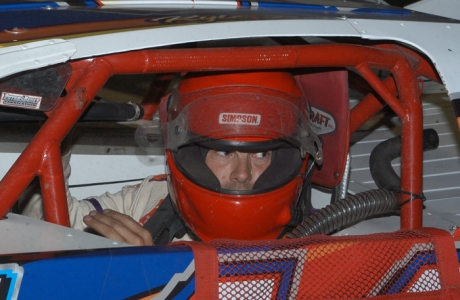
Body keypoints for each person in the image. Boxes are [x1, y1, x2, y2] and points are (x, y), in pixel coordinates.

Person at [23, 71, 323, 245]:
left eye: (261, 154)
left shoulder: (310, 246)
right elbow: (53, 226)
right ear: (191, 154)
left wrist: (148, 277)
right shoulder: (154, 198)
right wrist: (59, 135)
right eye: (223, 151)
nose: (242, 174)